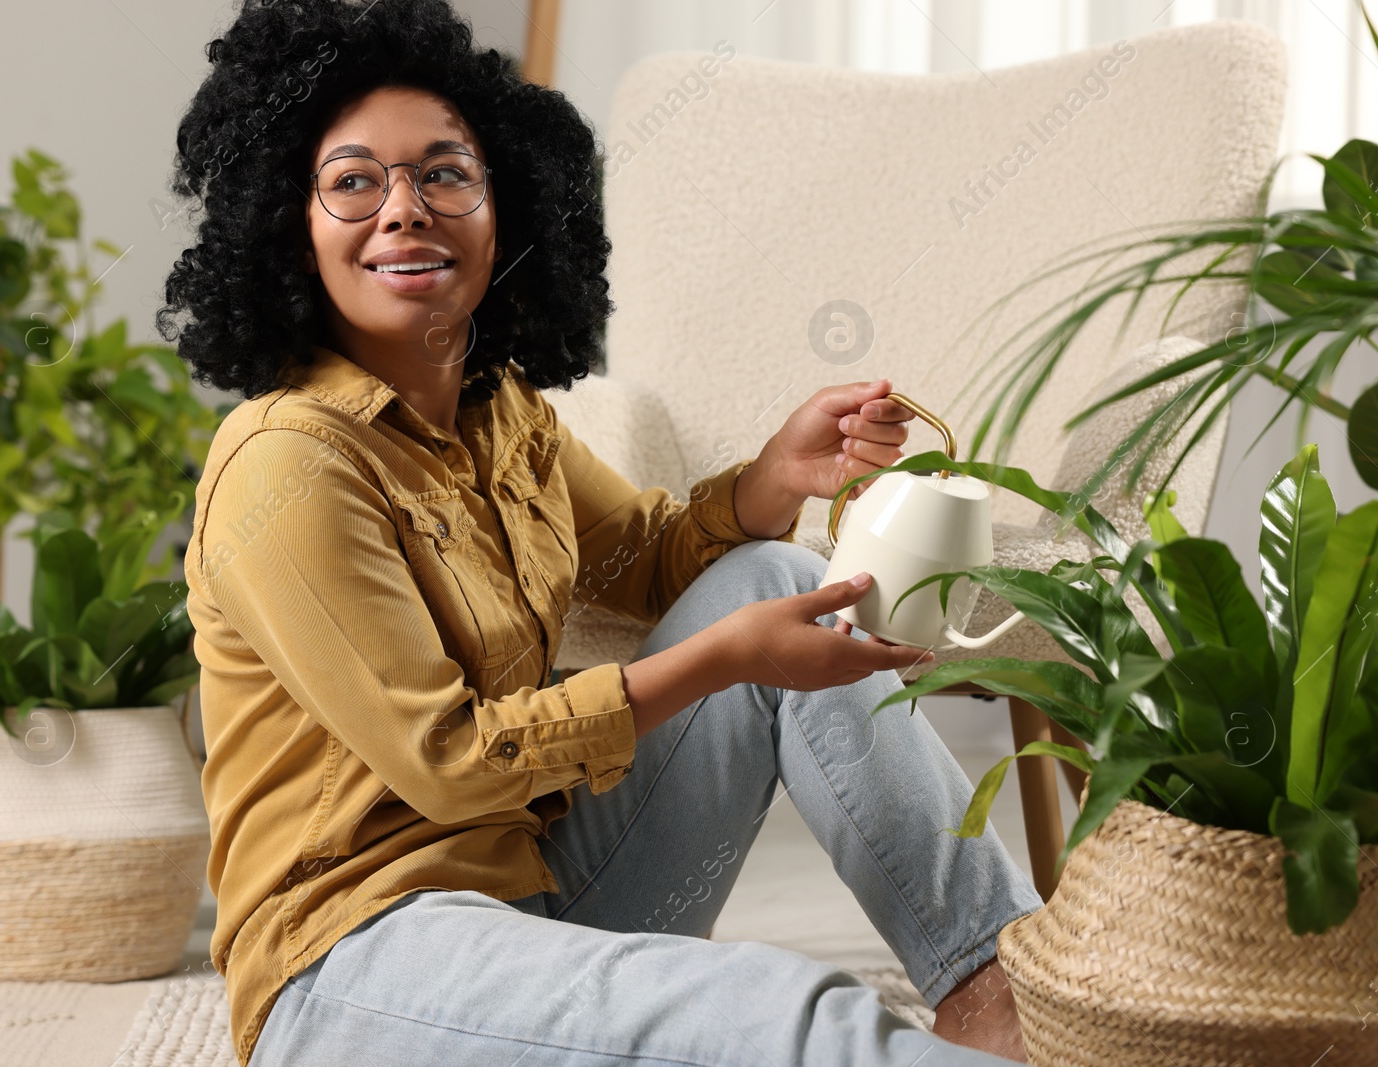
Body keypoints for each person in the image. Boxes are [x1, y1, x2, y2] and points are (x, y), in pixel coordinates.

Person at [160, 1, 1042, 1063]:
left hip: (533, 895)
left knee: (772, 567)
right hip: (356, 965)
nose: (404, 209)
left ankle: (1000, 988)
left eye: (445, 173)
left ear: (507, 209)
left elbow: (649, 559)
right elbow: (448, 761)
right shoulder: (289, 461)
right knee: (787, 1015)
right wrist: (720, 660)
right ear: (288, 226)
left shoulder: (501, 414)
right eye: (353, 181)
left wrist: (776, 474)